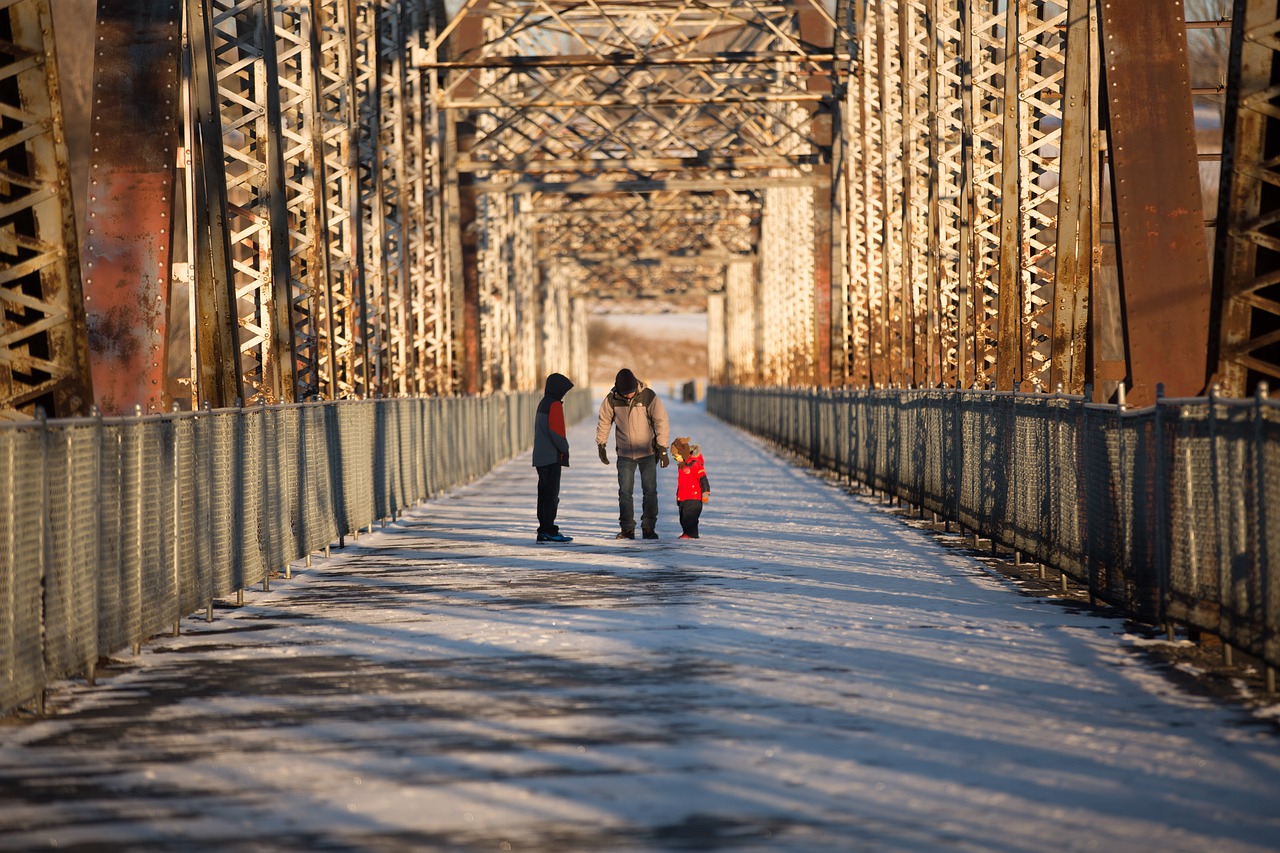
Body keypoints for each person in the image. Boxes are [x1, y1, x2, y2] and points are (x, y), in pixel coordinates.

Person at [596, 368, 670, 539]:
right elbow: (604, 421)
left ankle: (649, 528)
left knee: (650, 491)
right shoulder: (612, 399)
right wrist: (601, 444)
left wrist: (663, 448)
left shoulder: (648, 396)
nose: (629, 396)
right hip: (625, 453)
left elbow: (661, 421)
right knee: (625, 493)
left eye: (631, 392)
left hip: (648, 452)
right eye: (625, 393)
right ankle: (627, 529)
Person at [532, 372, 574, 543]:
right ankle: (549, 530)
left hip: (541, 457)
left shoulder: (544, 403)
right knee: (551, 496)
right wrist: (565, 447)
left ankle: (543, 530)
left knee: (543, 496)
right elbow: (556, 433)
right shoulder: (555, 404)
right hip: (551, 457)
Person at [670, 436, 710, 539]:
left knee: (690, 518)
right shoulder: (683, 465)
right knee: (683, 518)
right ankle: (687, 533)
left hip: (694, 497)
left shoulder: (694, 464)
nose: (675, 459)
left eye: (676, 456)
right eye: (674, 457)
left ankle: (691, 534)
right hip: (683, 497)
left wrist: (705, 493)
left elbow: (703, 478)